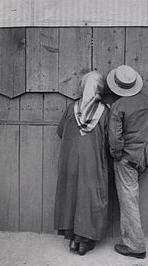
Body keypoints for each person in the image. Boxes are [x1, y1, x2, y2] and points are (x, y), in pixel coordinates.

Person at [107, 65, 148, 259]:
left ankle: (136, 247)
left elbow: (114, 137)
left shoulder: (118, 105)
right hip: (146, 157)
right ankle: (133, 242)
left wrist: (117, 155)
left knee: (128, 201)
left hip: (127, 157)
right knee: (131, 197)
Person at [54, 71, 109, 256]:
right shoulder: (104, 111)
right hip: (93, 162)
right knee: (90, 197)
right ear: (100, 88)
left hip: (70, 161)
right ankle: (84, 241)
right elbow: (110, 140)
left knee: (71, 194)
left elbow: (61, 132)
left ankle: (72, 240)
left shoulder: (72, 108)